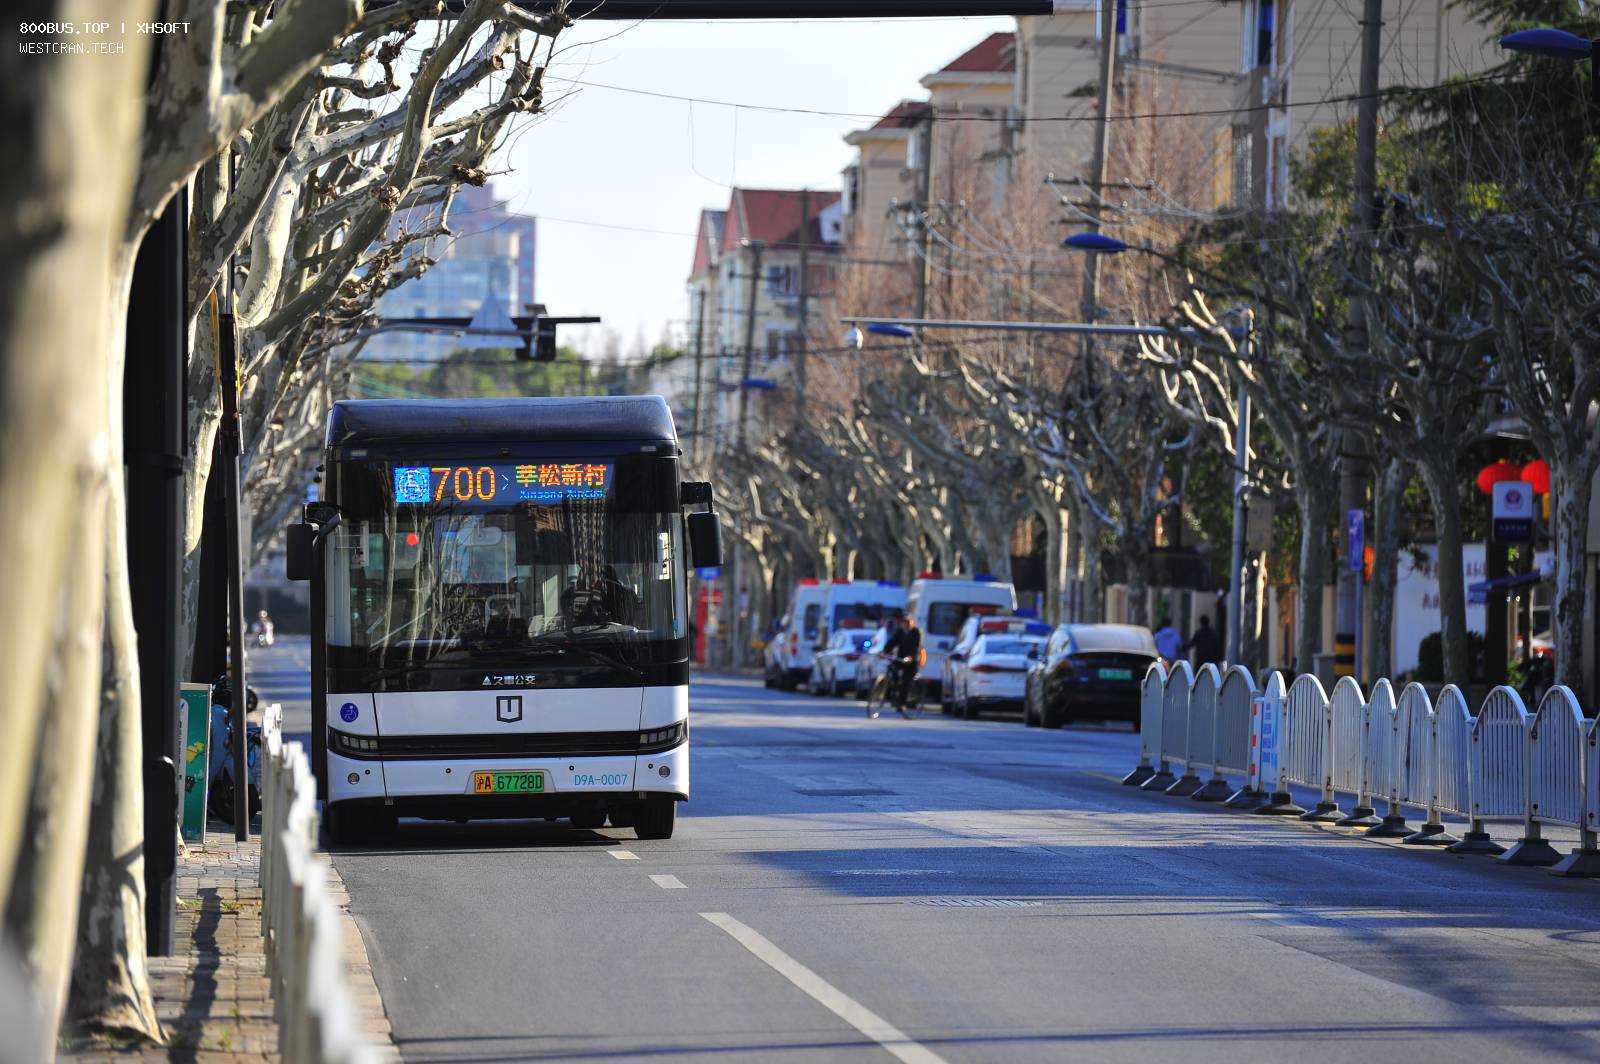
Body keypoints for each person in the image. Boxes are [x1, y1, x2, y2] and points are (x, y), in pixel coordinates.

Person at [881, 615, 922, 717]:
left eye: (909, 622)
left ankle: (902, 704)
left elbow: (916, 648)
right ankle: (893, 692)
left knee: (905, 681)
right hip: (900, 659)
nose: (906, 624)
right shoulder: (900, 632)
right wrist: (884, 651)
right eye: (905, 622)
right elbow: (892, 642)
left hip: (911, 661)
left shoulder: (916, 633)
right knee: (892, 669)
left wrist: (911, 657)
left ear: (913, 622)